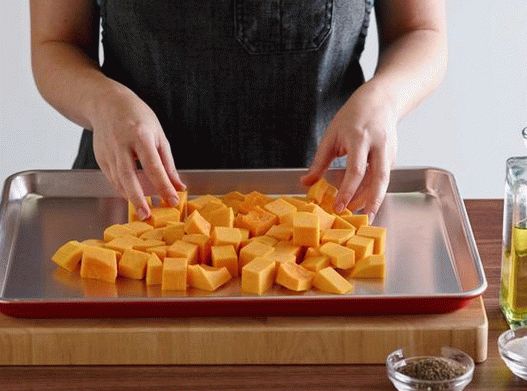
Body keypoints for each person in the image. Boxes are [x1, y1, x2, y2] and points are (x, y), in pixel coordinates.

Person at [30, 0, 447, 221]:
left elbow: (420, 31)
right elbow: (55, 43)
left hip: (324, 212)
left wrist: (384, 99)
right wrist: (103, 103)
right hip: (128, 205)